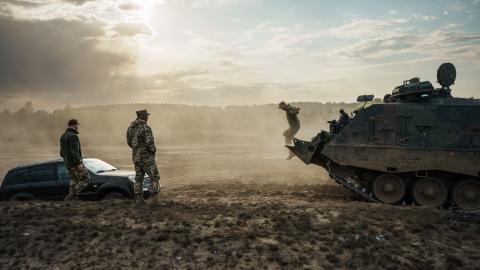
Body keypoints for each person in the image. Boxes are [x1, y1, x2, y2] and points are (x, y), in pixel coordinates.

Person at [127, 109, 161, 204]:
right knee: (155, 176)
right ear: (143, 116)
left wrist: (137, 149)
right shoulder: (145, 128)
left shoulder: (131, 128)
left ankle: (139, 200)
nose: (147, 117)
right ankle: (154, 200)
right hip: (146, 157)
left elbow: (129, 142)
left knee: (139, 177)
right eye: (146, 116)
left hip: (136, 157)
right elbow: (149, 143)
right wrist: (153, 151)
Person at [60, 119, 90, 201]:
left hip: (68, 166)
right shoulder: (73, 136)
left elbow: (62, 153)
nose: (78, 127)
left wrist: (68, 162)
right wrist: (78, 164)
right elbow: (75, 152)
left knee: (74, 183)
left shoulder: (63, 136)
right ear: (75, 125)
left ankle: (72, 203)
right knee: (86, 179)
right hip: (75, 165)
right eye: (77, 125)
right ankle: (69, 198)